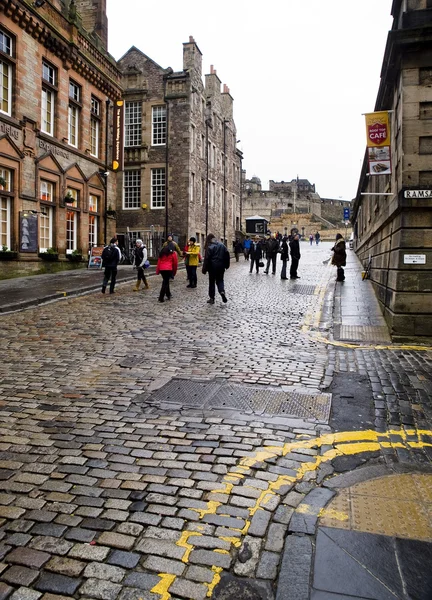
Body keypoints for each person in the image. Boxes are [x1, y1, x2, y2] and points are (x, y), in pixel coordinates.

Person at [202, 233, 230, 304]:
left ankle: (212, 298)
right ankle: (222, 291)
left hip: (212, 267)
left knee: (212, 282)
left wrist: (204, 269)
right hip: (221, 266)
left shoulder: (210, 247)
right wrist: (226, 265)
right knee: (220, 280)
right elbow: (227, 255)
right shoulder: (222, 245)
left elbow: (207, 259)